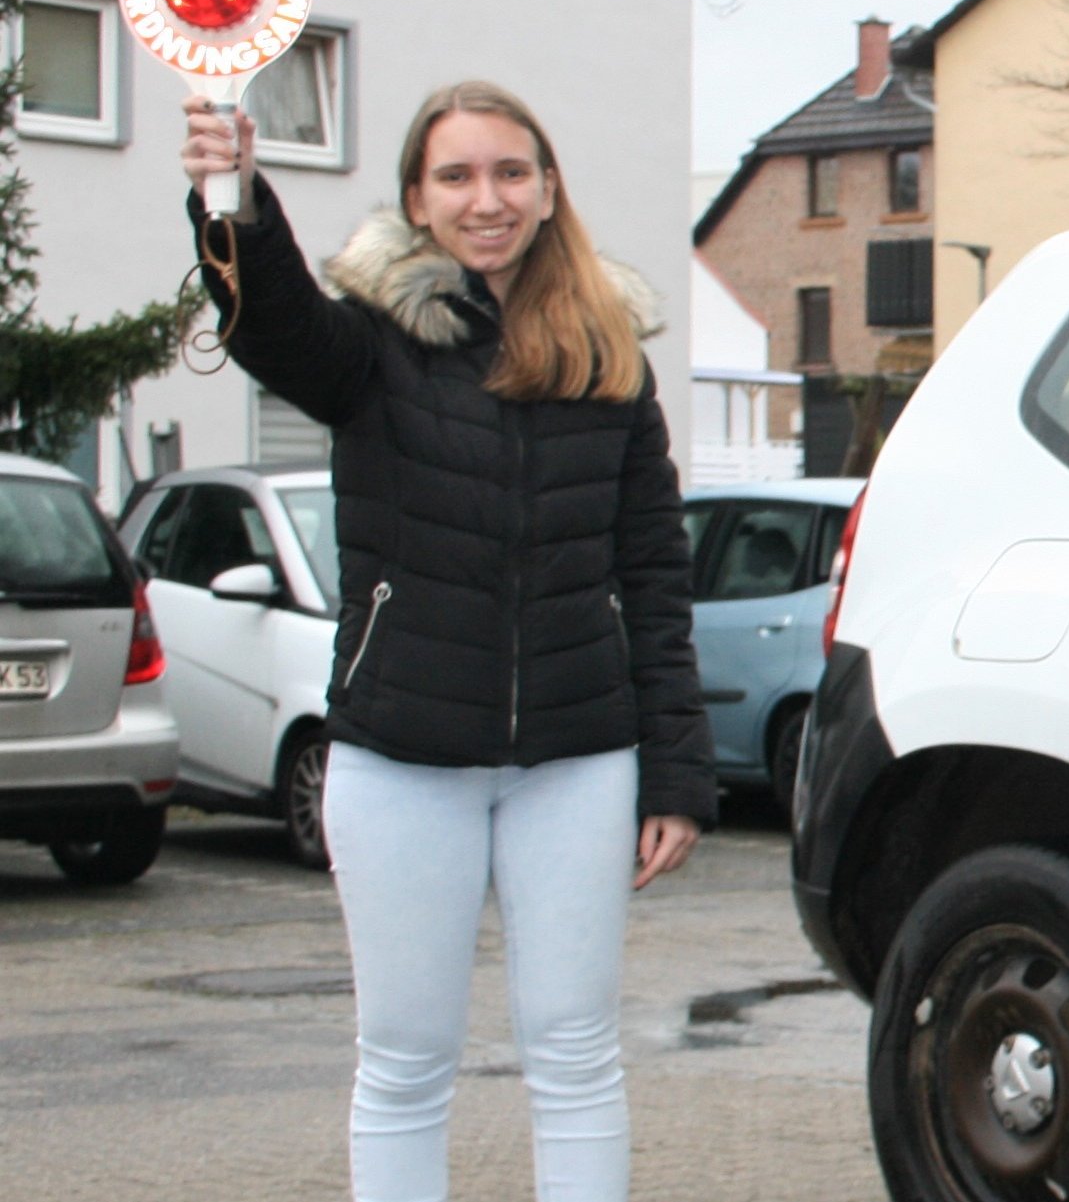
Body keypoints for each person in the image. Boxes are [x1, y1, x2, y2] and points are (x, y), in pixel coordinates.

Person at [179, 81, 709, 1202]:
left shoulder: (608, 351)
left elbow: (655, 575)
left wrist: (677, 771)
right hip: (400, 758)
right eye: (457, 176)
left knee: (573, 1056)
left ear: (549, 186)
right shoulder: (371, 345)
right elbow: (270, 321)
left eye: (511, 171)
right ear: (417, 200)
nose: (488, 199)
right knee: (406, 1063)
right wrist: (231, 195)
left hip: (577, 757)